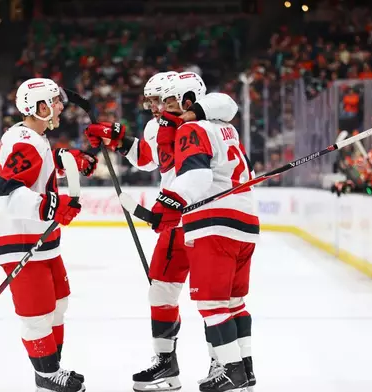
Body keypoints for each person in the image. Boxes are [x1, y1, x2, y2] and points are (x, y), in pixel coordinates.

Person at [84, 71, 239, 392]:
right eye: (152, 101)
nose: (154, 107)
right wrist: (117, 139)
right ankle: (166, 364)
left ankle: (222, 363)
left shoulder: (203, 117)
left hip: (206, 218)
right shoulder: (158, 125)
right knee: (161, 291)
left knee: (212, 299)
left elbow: (226, 103)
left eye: (161, 100)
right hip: (173, 221)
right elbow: (147, 159)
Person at [151, 72, 258, 392]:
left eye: (172, 102)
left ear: (188, 101)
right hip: (246, 223)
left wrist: (166, 203)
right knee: (234, 302)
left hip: (214, 224)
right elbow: (226, 105)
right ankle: (246, 369)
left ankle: (232, 370)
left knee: (212, 305)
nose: (167, 109)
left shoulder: (192, 128)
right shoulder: (226, 129)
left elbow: (196, 178)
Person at [0, 77, 96, 392]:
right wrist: (53, 206)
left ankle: (53, 368)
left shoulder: (36, 137)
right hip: (20, 241)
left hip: (42, 241)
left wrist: (69, 162)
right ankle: (47, 375)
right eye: (55, 101)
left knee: (58, 304)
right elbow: (6, 196)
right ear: (38, 107)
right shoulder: (24, 139)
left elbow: (40, 168)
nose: (61, 106)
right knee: (37, 314)